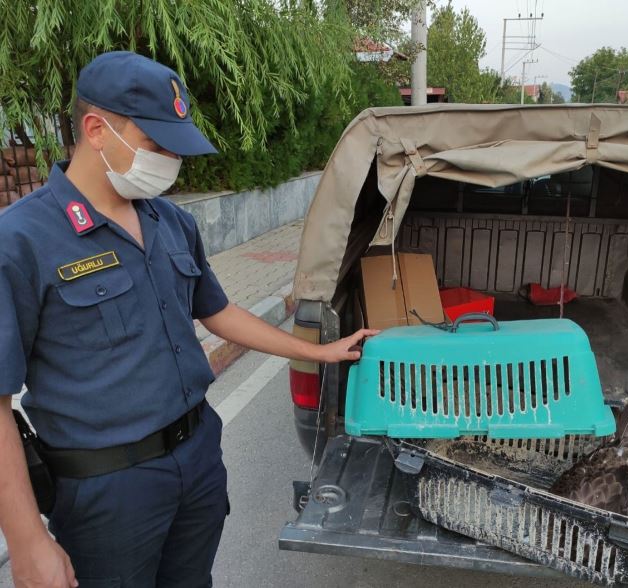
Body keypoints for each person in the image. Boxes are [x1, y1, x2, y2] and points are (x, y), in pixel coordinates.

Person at [0, 51, 376, 587]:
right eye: (157, 144)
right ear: (96, 129)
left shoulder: (170, 221)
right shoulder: (21, 241)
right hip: (107, 490)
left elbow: (218, 311)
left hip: (196, 460)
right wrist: (26, 539)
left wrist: (318, 351)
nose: (170, 160)